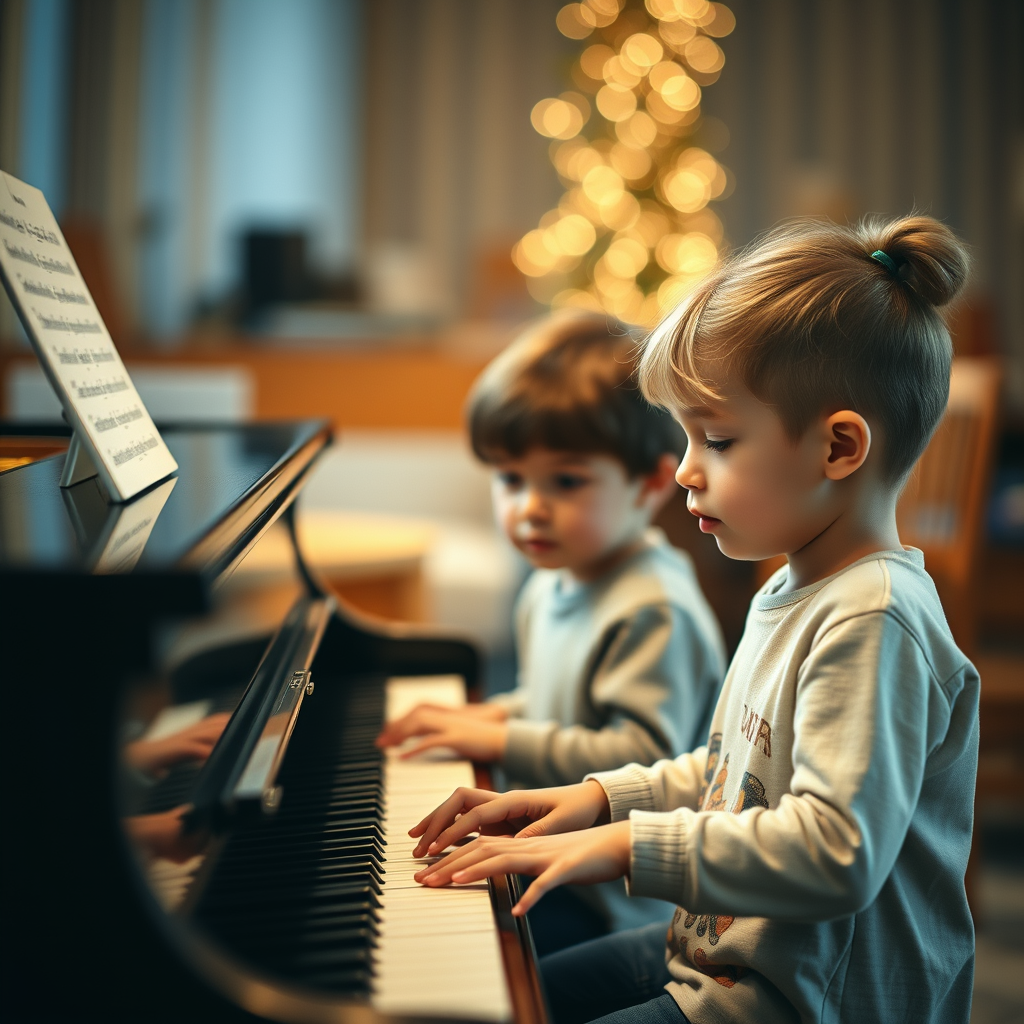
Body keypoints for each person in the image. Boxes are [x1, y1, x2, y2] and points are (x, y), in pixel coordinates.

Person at [405, 215, 979, 1024]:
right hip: (730, 951)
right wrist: (598, 800)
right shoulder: (793, 589)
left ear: (838, 448)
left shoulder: (872, 622)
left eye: (717, 439)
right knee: (516, 993)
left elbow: (834, 853)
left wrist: (624, 847)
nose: (682, 471)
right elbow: (724, 778)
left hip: (810, 998)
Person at [377, 311, 726, 950]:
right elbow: (552, 705)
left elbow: (640, 755)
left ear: (650, 482)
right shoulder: (551, 580)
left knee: (444, 944)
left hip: (613, 898)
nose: (529, 507)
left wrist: (500, 733)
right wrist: (479, 716)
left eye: (565, 481)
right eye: (510, 479)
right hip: (553, 855)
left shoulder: (651, 609)